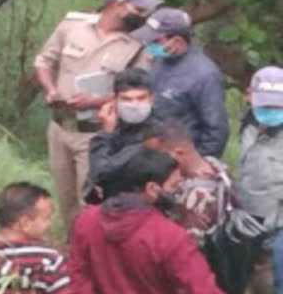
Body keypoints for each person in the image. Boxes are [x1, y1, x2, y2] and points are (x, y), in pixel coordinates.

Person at [33, 0, 161, 227]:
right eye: (139, 9)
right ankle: (74, 253)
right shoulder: (73, 26)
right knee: (65, 199)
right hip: (59, 127)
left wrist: (97, 100)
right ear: (117, 5)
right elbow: (43, 61)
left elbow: (139, 91)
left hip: (94, 133)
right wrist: (50, 90)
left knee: (90, 202)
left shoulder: (138, 46)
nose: (144, 15)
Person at [69, 148, 224, 294]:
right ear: (151, 189)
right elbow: (203, 288)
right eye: (174, 185)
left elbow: (78, 275)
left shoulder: (86, 221)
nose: (179, 191)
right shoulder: (169, 236)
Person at [158, 117, 263, 294]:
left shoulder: (197, 195)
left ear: (178, 153)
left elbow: (188, 251)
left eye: (159, 156)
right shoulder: (215, 166)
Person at [131, 7, 229, 157]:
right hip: (153, 155)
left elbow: (216, 131)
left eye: (155, 40)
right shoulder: (160, 60)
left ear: (176, 40)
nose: (149, 44)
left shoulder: (205, 75)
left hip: (180, 161)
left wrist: (194, 165)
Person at [84, 67, 162, 203]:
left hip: (142, 208)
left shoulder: (156, 134)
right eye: (126, 99)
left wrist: (105, 134)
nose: (134, 105)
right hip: (111, 207)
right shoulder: (115, 124)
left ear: (152, 98)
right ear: (114, 99)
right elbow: (91, 180)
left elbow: (101, 172)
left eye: (141, 98)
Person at [238, 66, 283, 293]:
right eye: (266, 105)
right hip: (248, 216)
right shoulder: (247, 125)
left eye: (277, 106)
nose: (271, 111)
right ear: (249, 96)